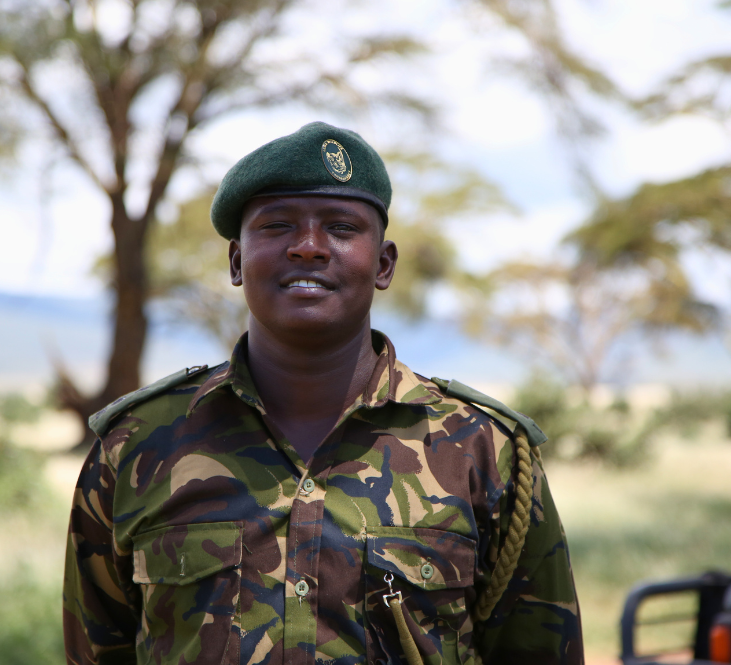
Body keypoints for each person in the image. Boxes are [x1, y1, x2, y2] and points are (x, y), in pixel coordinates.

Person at [62, 121, 583, 665]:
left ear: (383, 264)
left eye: (340, 227)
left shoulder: (482, 451)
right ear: (237, 262)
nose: (308, 247)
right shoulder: (137, 449)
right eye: (277, 225)